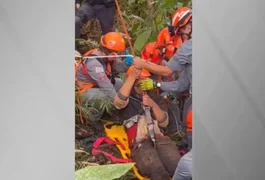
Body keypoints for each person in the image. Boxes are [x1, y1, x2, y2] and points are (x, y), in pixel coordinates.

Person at [113, 65, 182, 180]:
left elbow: (164, 122)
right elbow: (118, 102)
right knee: (156, 170)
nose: (142, 85)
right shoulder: (128, 98)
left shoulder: (156, 98)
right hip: (140, 142)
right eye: (139, 82)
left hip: (160, 139)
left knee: (176, 165)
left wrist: (152, 104)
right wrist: (132, 77)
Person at [75, 32, 129, 127]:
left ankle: (109, 111)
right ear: (105, 50)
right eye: (113, 54)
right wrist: (118, 103)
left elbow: (120, 68)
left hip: (95, 85)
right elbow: (107, 87)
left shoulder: (107, 56)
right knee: (100, 97)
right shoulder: (94, 64)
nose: (116, 56)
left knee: (120, 84)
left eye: (118, 53)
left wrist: (127, 63)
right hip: (82, 91)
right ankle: (92, 121)